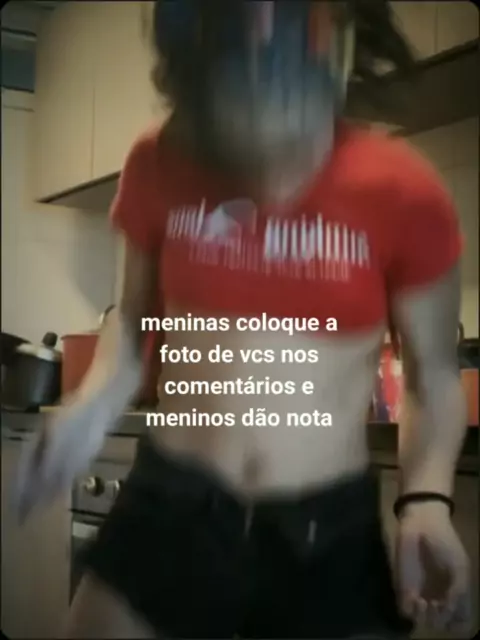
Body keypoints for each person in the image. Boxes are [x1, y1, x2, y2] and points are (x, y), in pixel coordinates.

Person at [14, 1, 472, 638]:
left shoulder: (405, 189)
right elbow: (133, 324)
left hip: (327, 532)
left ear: (335, 54)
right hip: (171, 507)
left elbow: (432, 377)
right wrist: (87, 412)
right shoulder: (159, 158)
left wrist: (425, 501)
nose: (273, 185)